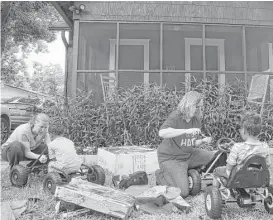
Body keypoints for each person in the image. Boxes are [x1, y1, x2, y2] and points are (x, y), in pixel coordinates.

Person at [155, 91, 216, 198]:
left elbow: (191, 143)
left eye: (201, 107)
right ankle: (161, 175)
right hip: (171, 158)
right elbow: (162, 133)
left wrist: (202, 141)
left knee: (213, 157)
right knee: (183, 192)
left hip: (188, 155)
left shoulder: (196, 120)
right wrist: (185, 131)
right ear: (190, 105)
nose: (200, 110)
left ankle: (187, 172)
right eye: (198, 107)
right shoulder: (176, 116)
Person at [213, 111, 271, 186]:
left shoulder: (237, 147)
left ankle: (214, 192)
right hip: (257, 177)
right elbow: (268, 165)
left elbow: (229, 166)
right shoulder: (265, 147)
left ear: (243, 130)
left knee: (216, 171)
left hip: (238, 178)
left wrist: (232, 153)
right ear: (260, 131)